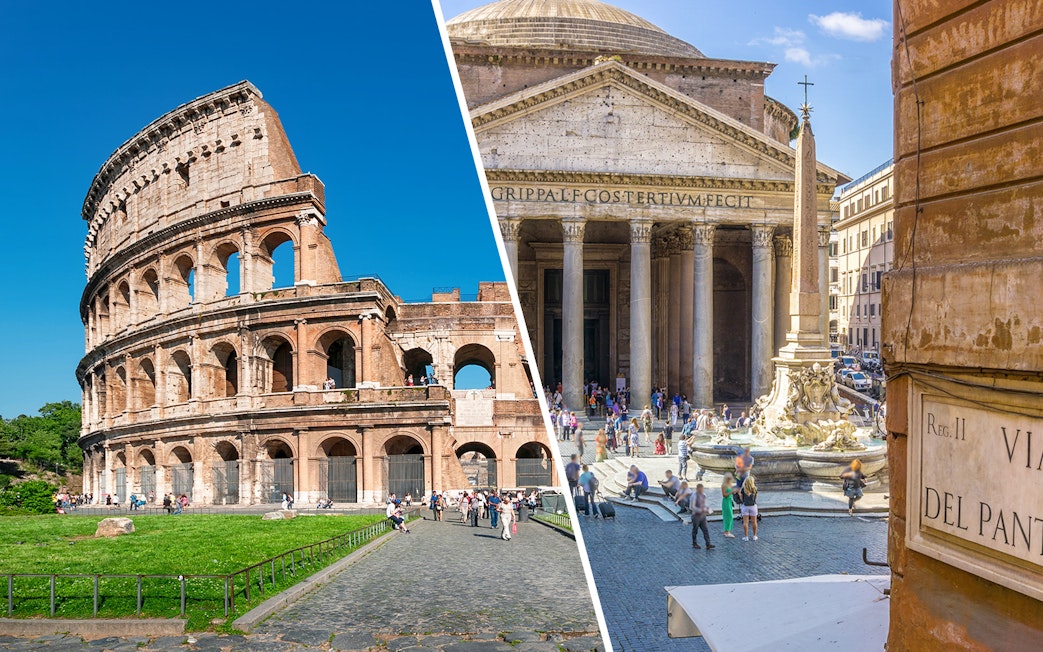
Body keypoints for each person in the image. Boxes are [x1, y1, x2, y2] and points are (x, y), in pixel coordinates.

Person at [689, 484, 715, 549]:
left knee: (705, 529)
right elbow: (692, 507)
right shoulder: (694, 496)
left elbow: (705, 504)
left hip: (702, 516)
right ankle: (694, 543)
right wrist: (700, 510)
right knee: (695, 530)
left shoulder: (704, 495)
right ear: (697, 489)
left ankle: (708, 543)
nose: (702, 490)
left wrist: (708, 509)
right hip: (695, 516)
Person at [740, 476, 759, 541]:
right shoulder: (755, 489)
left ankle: (746, 537)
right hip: (753, 506)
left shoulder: (743, 489)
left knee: (745, 522)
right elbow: (756, 498)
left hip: (745, 506)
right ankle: (754, 536)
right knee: (754, 522)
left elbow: (741, 498)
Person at [721, 473, 738, 538]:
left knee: (730, 516)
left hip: (730, 501)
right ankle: (726, 532)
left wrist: (734, 491)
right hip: (726, 501)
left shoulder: (730, 484)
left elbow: (731, 492)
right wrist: (731, 491)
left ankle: (728, 530)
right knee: (728, 516)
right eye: (728, 479)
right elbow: (724, 495)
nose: (729, 480)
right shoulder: (724, 485)